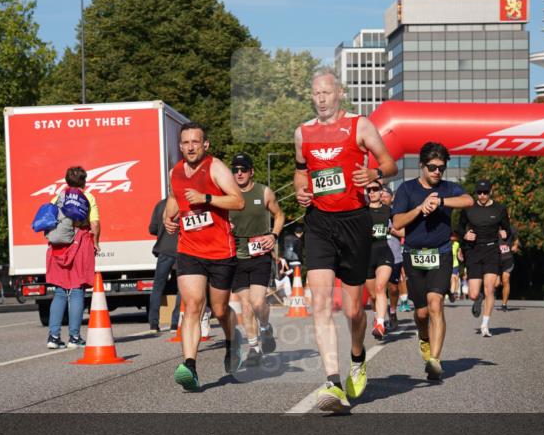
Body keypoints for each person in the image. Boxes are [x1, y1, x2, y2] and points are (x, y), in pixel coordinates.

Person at [294, 68, 398, 412]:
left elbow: (389, 163)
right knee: (320, 303)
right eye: (316, 94)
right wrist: (301, 191)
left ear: (339, 93)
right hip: (319, 223)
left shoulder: (360, 125)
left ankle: (357, 355)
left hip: (355, 221)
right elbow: (300, 170)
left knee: (354, 310)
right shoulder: (303, 133)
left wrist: (374, 173)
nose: (321, 99)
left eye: (326, 92)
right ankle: (332, 382)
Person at [164, 122, 245, 391]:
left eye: (195, 142)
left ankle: (234, 340)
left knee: (220, 309)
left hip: (221, 251)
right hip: (189, 249)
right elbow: (175, 199)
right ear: (180, 146)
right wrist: (168, 218)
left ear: (205, 145)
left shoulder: (216, 168)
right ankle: (190, 366)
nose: (190, 147)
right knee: (193, 306)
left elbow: (238, 201)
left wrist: (206, 197)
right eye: (185, 143)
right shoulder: (175, 172)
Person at [392, 142, 473, 381]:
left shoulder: (448, 189)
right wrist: (420, 208)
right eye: (432, 167)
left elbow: (468, 200)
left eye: (441, 167)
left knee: (436, 303)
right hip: (414, 255)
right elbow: (396, 223)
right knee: (422, 313)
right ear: (422, 166)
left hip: (442, 253)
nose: (437, 172)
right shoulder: (407, 190)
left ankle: (435, 361)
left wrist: (441, 202)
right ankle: (424, 338)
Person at [228, 153, 285, 364]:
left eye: (243, 169)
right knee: (245, 304)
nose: (239, 173)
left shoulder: (264, 192)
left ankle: (265, 327)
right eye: (235, 170)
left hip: (260, 254)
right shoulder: (227, 196)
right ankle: (253, 347)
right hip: (236, 255)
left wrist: (274, 235)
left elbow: (279, 215)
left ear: (251, 171)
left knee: (258, 301)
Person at [45, 166, 101, 349]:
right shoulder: (88, 197)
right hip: (79, 245)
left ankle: (53, 337)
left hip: (58, 248)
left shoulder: (58, 197)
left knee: (60, 292)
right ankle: (74, 337)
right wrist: (96, 242)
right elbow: (94, 223)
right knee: (77, 291)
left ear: (66, 180)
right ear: (84, 182)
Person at [460, 179, 511, 338]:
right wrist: (464, 235)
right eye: (479, 193)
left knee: (490, 288)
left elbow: (507, 229)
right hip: (474, 250)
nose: (482, 195)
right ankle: (478, 298)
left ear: (490, 191)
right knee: (474, 294)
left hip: (491, 250)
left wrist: (505, 234)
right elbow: (459, 228)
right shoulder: (468, 209)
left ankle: (485, 325)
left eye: (485, 192)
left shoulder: (500, 209)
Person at [365, 182, 395, 341]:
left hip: (384, 251)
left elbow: (401, 227)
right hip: (367, 256)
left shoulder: (388, 210)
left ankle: (381, 324)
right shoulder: (362, 211)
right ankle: (378, 315)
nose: (371, 192)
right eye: (369, 190)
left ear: (380, 191)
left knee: (380, 287)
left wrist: (392, 230)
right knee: (373, 295)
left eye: (375, 189)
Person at [148, 197, 181, 332]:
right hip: (182, 250)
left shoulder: (160, 204)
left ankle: (153, 324)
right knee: (182, 289)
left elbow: (152, 229)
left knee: (158, 287)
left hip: (164, 249)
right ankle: (175, 323)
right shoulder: (185, 203)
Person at [381, 186, 403, 330]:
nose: (382, 197)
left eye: (385, 195)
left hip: (394, 255)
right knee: (378, 289)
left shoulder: (397, 214)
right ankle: (380, 317)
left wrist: (389, 230)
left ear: (392, 198)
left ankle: (393, 311)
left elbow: (404, 233)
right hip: (376, 256)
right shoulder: (371, 213)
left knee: (393, 289)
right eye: (380, 194)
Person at [497, 224, 520, 311]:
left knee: (506, 279)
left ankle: (504, 304)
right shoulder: (493, 226)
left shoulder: (511, 228)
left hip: (508, 258)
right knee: (496, 284)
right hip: (496, 259)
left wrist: (515, 245)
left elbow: (516, 239)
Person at [449, 233, 462, 302]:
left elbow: (459, 254)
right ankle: (452, 292)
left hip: (455, 264)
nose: (452, 239)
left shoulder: (457, 244)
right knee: (452, 279)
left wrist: (461, 258)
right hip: (447, 264)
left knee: (454, 278)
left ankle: (452, 293)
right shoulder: (446, 244)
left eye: (454, 238)